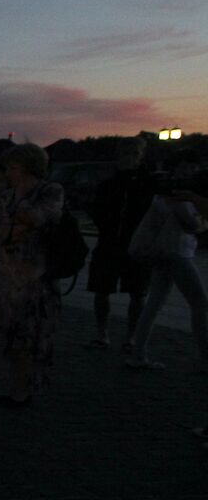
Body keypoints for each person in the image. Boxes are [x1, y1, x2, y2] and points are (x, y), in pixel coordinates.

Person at [0, 144, 65, 406]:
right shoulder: (8, 195)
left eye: (14, 167)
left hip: (35, 279)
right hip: (7, 277)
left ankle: (23, 390)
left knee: (29, 336)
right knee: (9, 336)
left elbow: (39, 218)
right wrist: (15, 224)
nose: (8, 173)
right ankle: (17, 387)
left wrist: (13, 223)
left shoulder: (50, 191)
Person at [126, 174, 208, 371]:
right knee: (199, 303)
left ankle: (139, 354)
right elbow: (194, 225)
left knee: (154, 304)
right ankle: (205, 356)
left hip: (161, 254)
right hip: (178, 254)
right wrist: (204, 221)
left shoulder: (159, 201)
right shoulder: (179, 203)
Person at [86, 138, 154, 351]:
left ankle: (131, 336)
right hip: (110, 243)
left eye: (133, 154)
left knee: (138, 292)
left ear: (140, 156)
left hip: (137, 245)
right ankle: (102, 332)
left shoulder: (148, 184)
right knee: (102, 290)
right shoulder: (108, 184)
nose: (128, 159)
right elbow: (96, 210)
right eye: (124, 154)